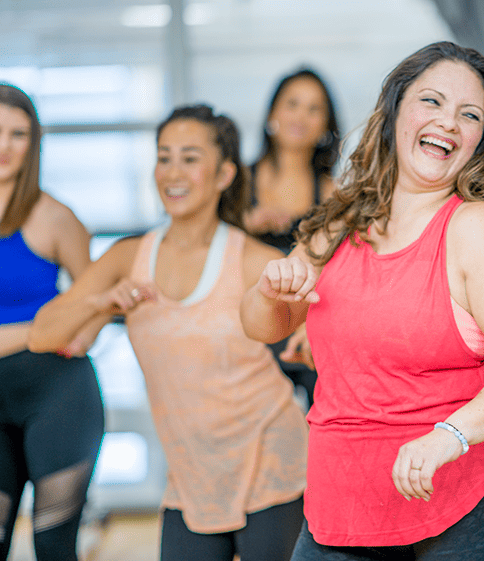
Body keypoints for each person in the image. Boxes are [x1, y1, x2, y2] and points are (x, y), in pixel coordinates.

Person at [240, 41, 484, 561]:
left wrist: (450, 436)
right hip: (338, 504)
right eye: (431, 102)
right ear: (394, 113)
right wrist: (269, 290)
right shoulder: (343, 220)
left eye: (468, 114)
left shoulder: (475, 227)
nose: (448, 122)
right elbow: (262, 326)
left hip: (457, 502)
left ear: (480, 139)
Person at [29, 105, 308, 561]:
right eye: (164, 157)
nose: (172, 171)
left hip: (273, 463)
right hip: (190, 480)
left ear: (223, 175)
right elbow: (43, 335)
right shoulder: (127, 257)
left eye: (190, 158)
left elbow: (321, 327)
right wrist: (101, 302)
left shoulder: (252, 260)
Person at [0, 83, 104, 561]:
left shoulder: (55, 217)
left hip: (59, 394)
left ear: (34, 143)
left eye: (19, 134)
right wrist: (41, 331)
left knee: (54, 545)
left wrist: (82, 332)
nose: (5, 146)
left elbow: (97, 298)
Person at [247, 67, 342, 408]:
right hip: (249, 328)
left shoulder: (333, 192)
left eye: (314, 108)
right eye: (293, 104)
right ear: (273, 113)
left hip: (310, 330)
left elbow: (342, 270)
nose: (301, 116)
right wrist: (245, 224)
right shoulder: (237, 184)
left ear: (325, 126)